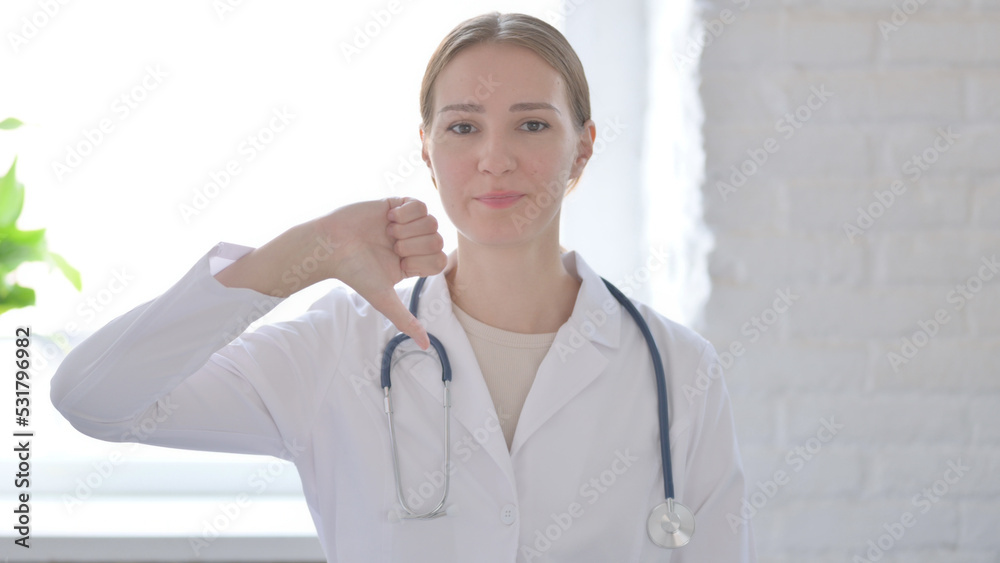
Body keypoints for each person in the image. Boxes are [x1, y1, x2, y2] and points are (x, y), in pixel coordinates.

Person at [51, 11, 756, 562]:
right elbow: (94, 398)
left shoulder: (677, 369)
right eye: (462, 127)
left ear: (584, 146)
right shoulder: (338, 346)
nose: (494, 159)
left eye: (533, 124)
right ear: (427, 150)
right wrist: (305, 252)